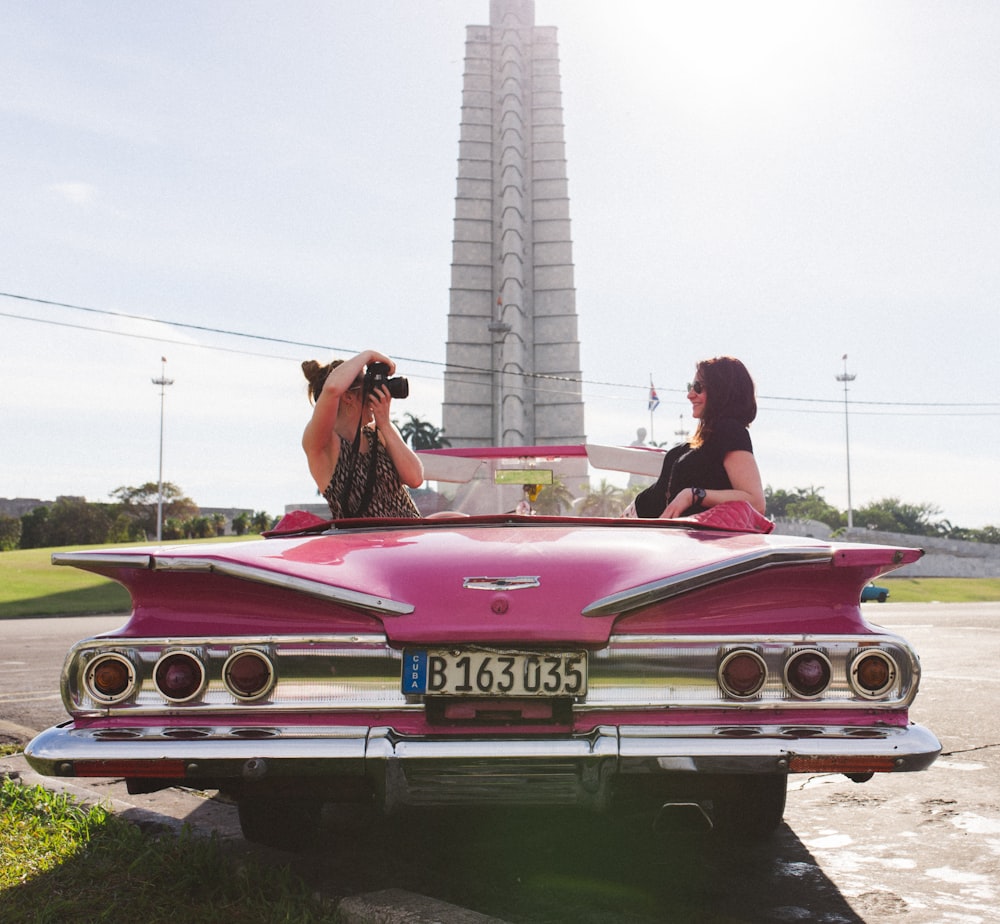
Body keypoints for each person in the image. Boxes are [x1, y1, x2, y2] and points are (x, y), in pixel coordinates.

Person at [631, 356, 765, 519]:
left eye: (698, 387)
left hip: (677, 538)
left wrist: (693, 495)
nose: (690, 395)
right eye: (690, 386)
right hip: (644, 531)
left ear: (720, 391)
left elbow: (756, 503)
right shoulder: (705, 439)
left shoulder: (731, 432)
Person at [301, 350, 423, 518]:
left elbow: (415, 478)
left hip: (407, 536)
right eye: (368, 386)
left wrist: (385, 425)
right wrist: (369, 355)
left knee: (451, 518)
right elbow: (332, 388)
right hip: (363, 540)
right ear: (348, 397)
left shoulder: (377, 432)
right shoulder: (325, 444)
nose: (373, 393)